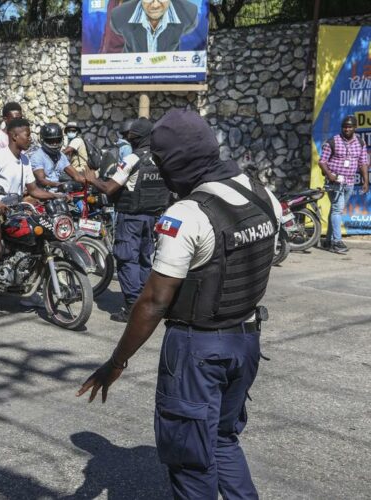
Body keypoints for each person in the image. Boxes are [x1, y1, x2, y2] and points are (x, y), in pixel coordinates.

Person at [78, 109, 282, 500]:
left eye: (162, 162)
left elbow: (153, 301)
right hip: (247, 342)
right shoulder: (262, 194)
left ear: (176, 164)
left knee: (191, 463)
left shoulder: (187, 214)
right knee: (222, 440)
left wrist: (116, 362)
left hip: (197, 350)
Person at [0, 118, 65, 325]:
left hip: (15, 211)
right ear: (14, 136)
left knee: (37, 240)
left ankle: (29, 291)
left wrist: (58, 196)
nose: (30, 138)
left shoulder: (25, 160)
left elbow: (34, 190)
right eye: (27, 134)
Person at [85, 118, 170, 322]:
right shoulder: (162, 158)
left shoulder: (133, 158)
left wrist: (91, 178)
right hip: (152, 218)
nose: (127, 139)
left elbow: (110, 188)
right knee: (144, 258)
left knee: (126, 259)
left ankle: (133, 306)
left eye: (130, 136)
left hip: (131, 216)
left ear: (136, 138)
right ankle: (147, 301)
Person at [318, 115, 369, 253]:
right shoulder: (332, 142)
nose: (347, 129)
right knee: (337, 209)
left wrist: (366, 180)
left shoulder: (361, 143)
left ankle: (328, 241)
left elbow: (363, 162)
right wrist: (330, 175)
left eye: (350, 126)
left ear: (355, 128)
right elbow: (322, 161)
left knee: (336, 210)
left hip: (350, 182)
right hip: (334, 182)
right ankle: (337, 242)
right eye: (345, 126)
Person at [109, 0, 199, 53]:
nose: (155, 5)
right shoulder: (118, 16)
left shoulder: (189, 14)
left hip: (171, 78)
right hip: (131, 78)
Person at [30, 123, 89, 189]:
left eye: (57, 140)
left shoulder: (61, 156)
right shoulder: (37, 157)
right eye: (51, 141)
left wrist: (88, 182)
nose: (55, 144)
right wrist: (58, 185)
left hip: (59, 192)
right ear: (43, 140)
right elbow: (41, 180)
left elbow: (76, 175)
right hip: (43, 193)